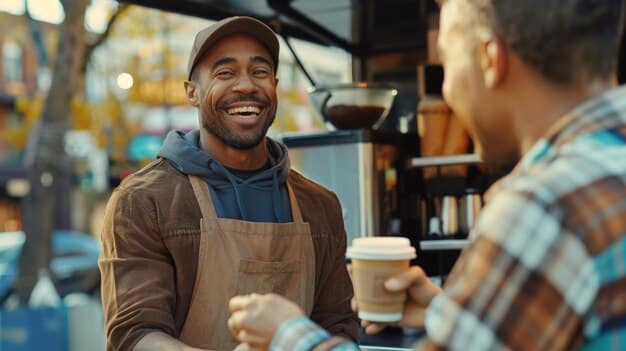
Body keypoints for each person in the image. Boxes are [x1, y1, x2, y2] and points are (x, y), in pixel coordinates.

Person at [226, 0, 626, 350]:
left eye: (448, 64)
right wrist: (445, 311)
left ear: (491, 61)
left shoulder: (544, 204)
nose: (448, 92)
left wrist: (286, 335)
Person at [98, 16, 358, 351]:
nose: (246, 86)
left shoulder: (320, 205)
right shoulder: (144, 202)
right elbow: (134, 335)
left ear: (275, 86)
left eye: (260, 72)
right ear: (192, 92)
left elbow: (339, 324)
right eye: (225, 72)